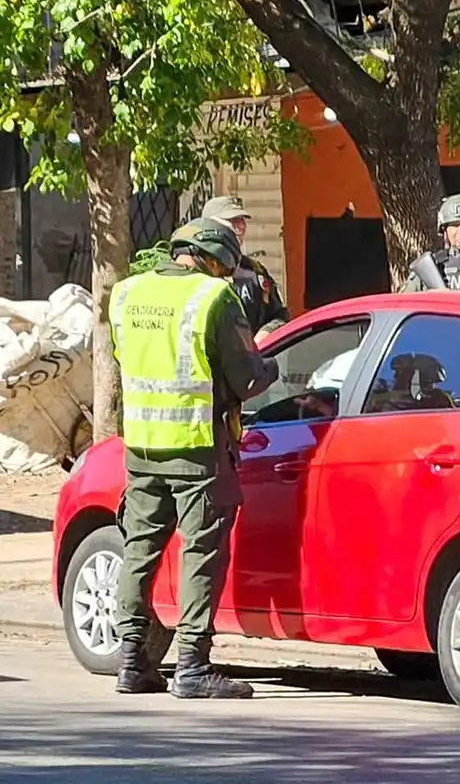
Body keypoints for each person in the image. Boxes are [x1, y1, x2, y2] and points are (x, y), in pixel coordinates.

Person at [110, 218, 278, 699]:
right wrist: (272, 364)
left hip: (143, 446)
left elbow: (126, 358)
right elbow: (248, 378)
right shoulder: (213, 298)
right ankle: (192, 666)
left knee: (139, 550)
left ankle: (131, 662)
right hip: (197, 448)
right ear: (215, 259)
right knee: (201, 553)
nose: (226, 276)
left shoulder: (126, 293)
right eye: (226, 267)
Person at [202, 194, 291, 341]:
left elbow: (280, 315)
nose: (240, 227)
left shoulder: (255, 272)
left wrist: (264, 335)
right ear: (210, 226)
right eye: (232, 221)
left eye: (241, 220)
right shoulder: (196, 271)